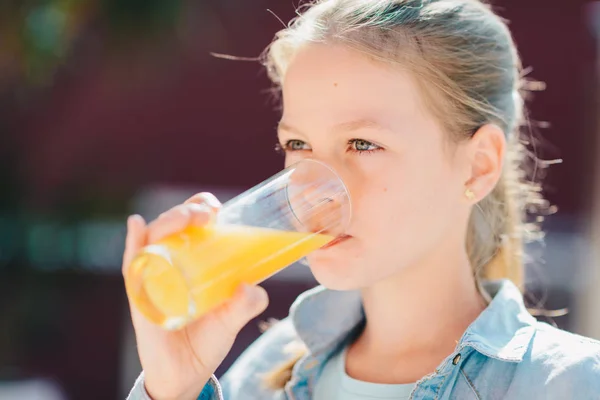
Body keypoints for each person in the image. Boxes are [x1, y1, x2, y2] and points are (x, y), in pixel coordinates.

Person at [124, 0, 600, 399]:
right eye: (298, 145)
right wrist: (173, 387)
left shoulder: (568, 383)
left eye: (363, 144)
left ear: (478, 165)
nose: (314, 191)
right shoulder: (266, 375)